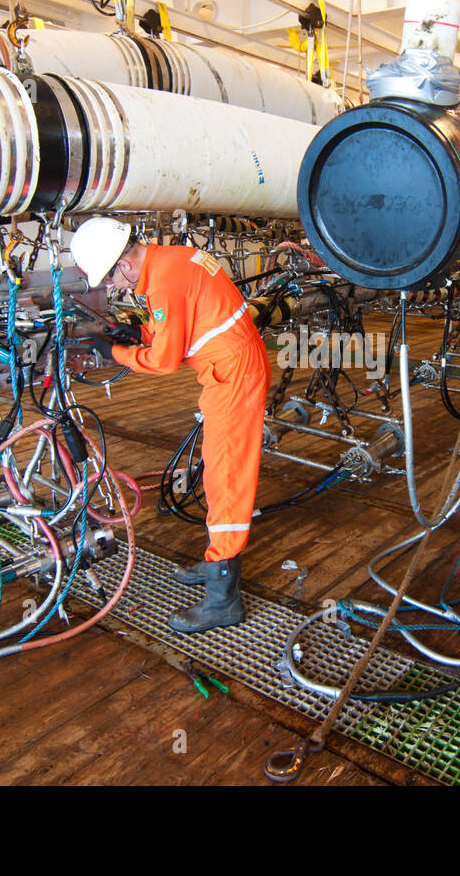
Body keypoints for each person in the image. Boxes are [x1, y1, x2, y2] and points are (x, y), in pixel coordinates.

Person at [70, 217, 271, 633]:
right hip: (230, 365)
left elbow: (163, 361)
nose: (116, 288)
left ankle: (223, 597)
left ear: (123, 263)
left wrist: (115, 353)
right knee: (218, 470)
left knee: (226, 476)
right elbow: (181, 324)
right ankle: (218, 562)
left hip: (233, 373)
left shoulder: (163, 282)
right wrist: (137, 331)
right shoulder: (171, 260)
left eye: (112, 281)